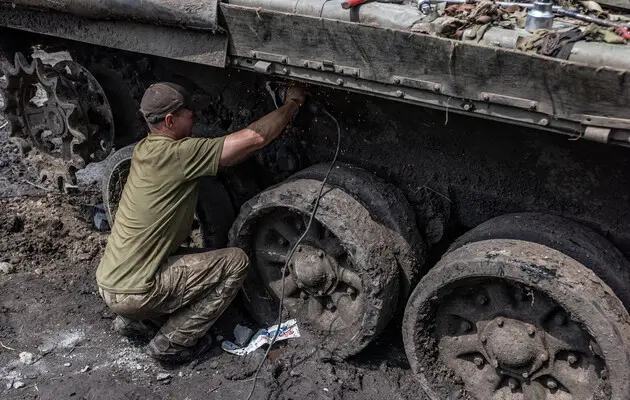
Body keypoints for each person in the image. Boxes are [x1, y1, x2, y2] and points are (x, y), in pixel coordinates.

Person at [96, 82, 306, 363]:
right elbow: (254, 138)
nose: (194, 116)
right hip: (136, 291)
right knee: (235, 262)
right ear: (170, 121)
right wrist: (293, 104)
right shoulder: (179, 154)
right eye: (188, 113)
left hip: (110, 281)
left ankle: (136, 320)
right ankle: (171, 343)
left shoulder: (145, 150)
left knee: (189, 260)